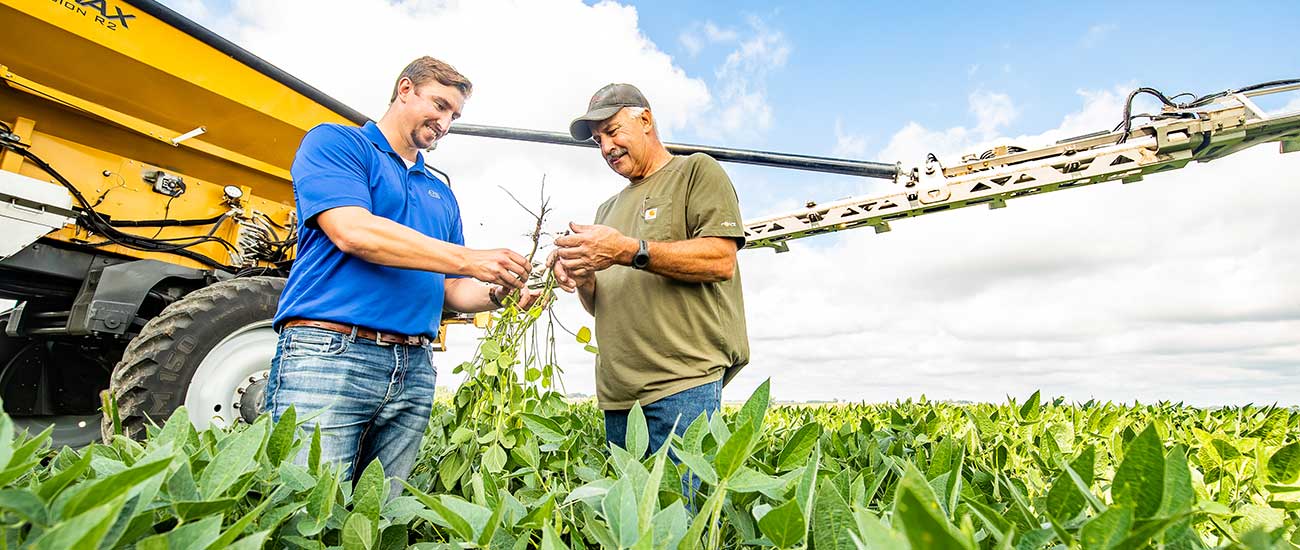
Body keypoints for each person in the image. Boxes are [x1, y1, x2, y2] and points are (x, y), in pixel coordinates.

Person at [264, 56, 539, 491]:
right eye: (440, 104)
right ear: (405, 88)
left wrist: (498, 293)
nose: (445, 122)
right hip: (331, 352)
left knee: (380, 514)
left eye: (454, 115)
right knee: (307, 509)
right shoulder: (339, 144)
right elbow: (353, 232)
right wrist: (470, 259)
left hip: (413, 366)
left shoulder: (441, 192)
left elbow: (452, 288)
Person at [551, 83, 749, 457]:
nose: (606, 147)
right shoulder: (606, 211)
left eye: (611, 131)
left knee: (680, 512)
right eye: (597, 141)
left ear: (645, 119)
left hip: (681, 385)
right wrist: (584, 277)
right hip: (618, 397)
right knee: (631, 516)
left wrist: (626, 249)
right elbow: (600, 306)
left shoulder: (695, 172)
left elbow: (720, 259)